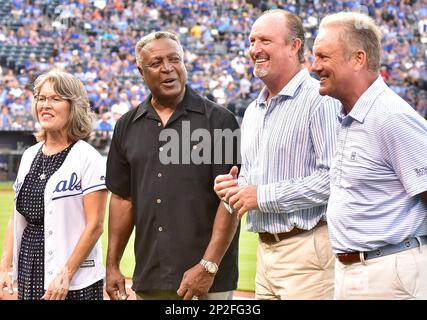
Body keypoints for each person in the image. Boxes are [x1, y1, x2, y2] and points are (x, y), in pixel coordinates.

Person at [214, 9, 339, 300]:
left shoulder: (319, 99)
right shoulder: (254, 110)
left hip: (309, 251)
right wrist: (235, 189)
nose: (255, 49)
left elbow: (334, 178)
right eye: (252, 40)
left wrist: (260, 196)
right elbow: (254, 179)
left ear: (294, 46)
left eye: (265, 40)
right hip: (265, 252)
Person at [105, 31, 240, 300]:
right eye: (156, 63)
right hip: (150, 277)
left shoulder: (220, 122)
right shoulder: (126, 126)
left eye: (174, 59)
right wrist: (112, 265)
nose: (168, 68)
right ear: (141, 72)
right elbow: (122, 199)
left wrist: (208, 266)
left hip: (208, 282)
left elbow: (230, 201)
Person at [311, 12, 427, 300]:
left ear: (358, 59)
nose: (314, 67)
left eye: (323, 56)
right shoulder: (349, 115)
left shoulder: (391, 118)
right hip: (354, 271)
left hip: (389, 272)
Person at [0, 70, 107, 300]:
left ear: (73, 106)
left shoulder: (87, 158)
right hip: (31, 267)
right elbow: (15, 216)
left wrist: (66, 274)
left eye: (56, 99)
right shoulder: (29, 155)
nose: (45, 105)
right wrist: (5, 265)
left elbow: (95, 226)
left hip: (75, 278)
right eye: (41, 98)